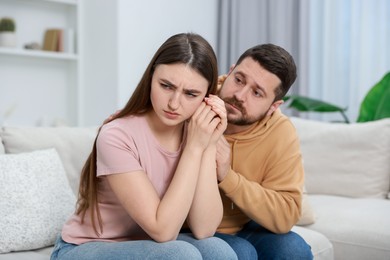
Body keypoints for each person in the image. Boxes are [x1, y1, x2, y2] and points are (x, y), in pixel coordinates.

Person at [50, 32, 238, 260]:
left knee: (220, 252)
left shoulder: (196, 132)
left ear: (206, 98)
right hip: (85, 248)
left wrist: (207, 143)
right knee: (180, 255)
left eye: (191, 94)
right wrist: (194, 148)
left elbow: (204, 229)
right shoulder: (117, 135)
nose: (174, 103)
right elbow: (163, 230)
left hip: (146, 245)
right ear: (150, 78)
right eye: (166, 86)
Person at [214, 43, 314, 259]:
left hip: (242, 226)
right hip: (188, 228)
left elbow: (287, 213)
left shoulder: (281, 132)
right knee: (241, 252)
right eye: (239, 79)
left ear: (274, 106)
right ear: (230, 71)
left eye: (257, 93)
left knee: (293, 250)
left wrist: (228, 178)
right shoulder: (195, 94)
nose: (240, 95)